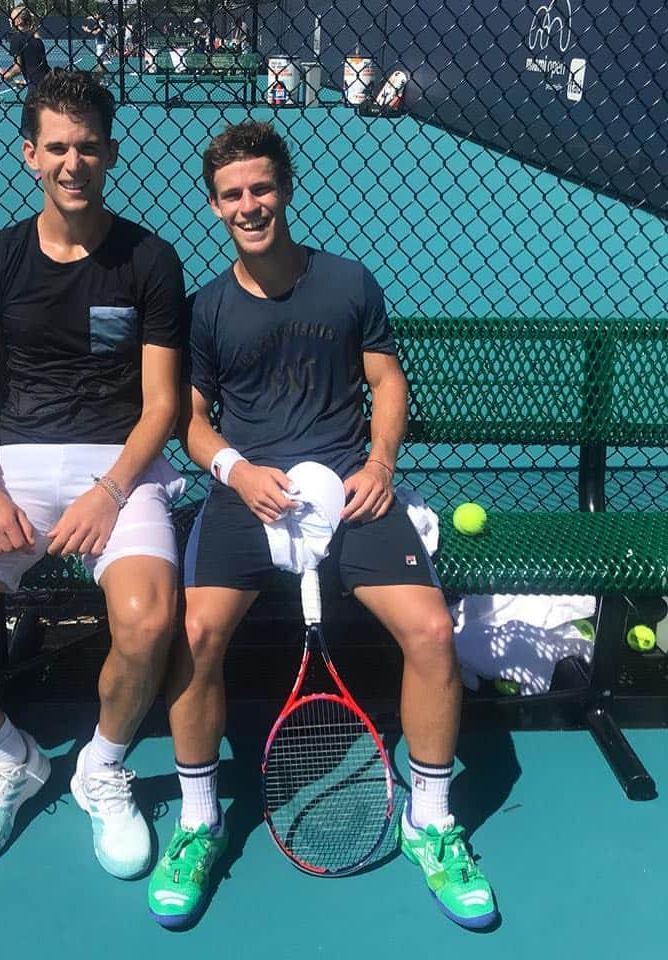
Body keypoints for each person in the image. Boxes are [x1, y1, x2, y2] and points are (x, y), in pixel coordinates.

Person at [147, 121, 498, 931]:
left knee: (432, 632)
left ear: (287, 189)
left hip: (350, 492)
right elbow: (192, 421)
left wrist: (377, 467)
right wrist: (235, 469)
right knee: (195, 635)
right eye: (232, 194)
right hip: (246, 494)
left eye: (261, 188)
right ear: (213, 206)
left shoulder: (347, 283)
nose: (249, 204)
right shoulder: (206, 310)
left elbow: (387, 378)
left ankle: (432, 822)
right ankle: (199, 821)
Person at [0, 70, 188, 878]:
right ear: (30, 154)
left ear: (111, 153)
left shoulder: (151, 261)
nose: (72, 160)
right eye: (57, 146)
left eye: (88, 145)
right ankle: (10, 754)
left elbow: (161, 406)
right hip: (9, 472)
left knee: (150, 620)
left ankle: (102, 766)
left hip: (119, 472)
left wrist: (112, 490)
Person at [1, 6, 50, 137]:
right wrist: (25, 81)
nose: (9, 20)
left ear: (18, 21)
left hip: (36, 90)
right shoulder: (37, 38)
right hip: (49, 84)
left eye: (11, 17)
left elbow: (18, 66)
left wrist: (8, 75)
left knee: (27, 130)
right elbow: (37, 66)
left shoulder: (17, 38)